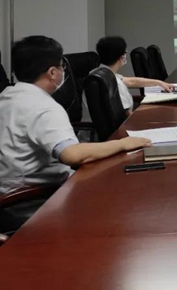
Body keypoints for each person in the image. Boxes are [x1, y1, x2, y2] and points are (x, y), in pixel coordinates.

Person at [0, 36, 151, 226]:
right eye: (62, 66)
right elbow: (72, 155)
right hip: (35, 200)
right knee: (122, 195)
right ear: (52, 73)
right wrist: (122, 144)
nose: (64, 71)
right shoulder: (43, 107)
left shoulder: (7, 95)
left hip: (9, 195)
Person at [82, 37, 175, 121]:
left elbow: (131, 81)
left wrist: (159, 83)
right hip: (119, 129)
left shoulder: (99, 72)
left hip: (102, 127)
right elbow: (129, 117)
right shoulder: (114, 82)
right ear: (121, 57)